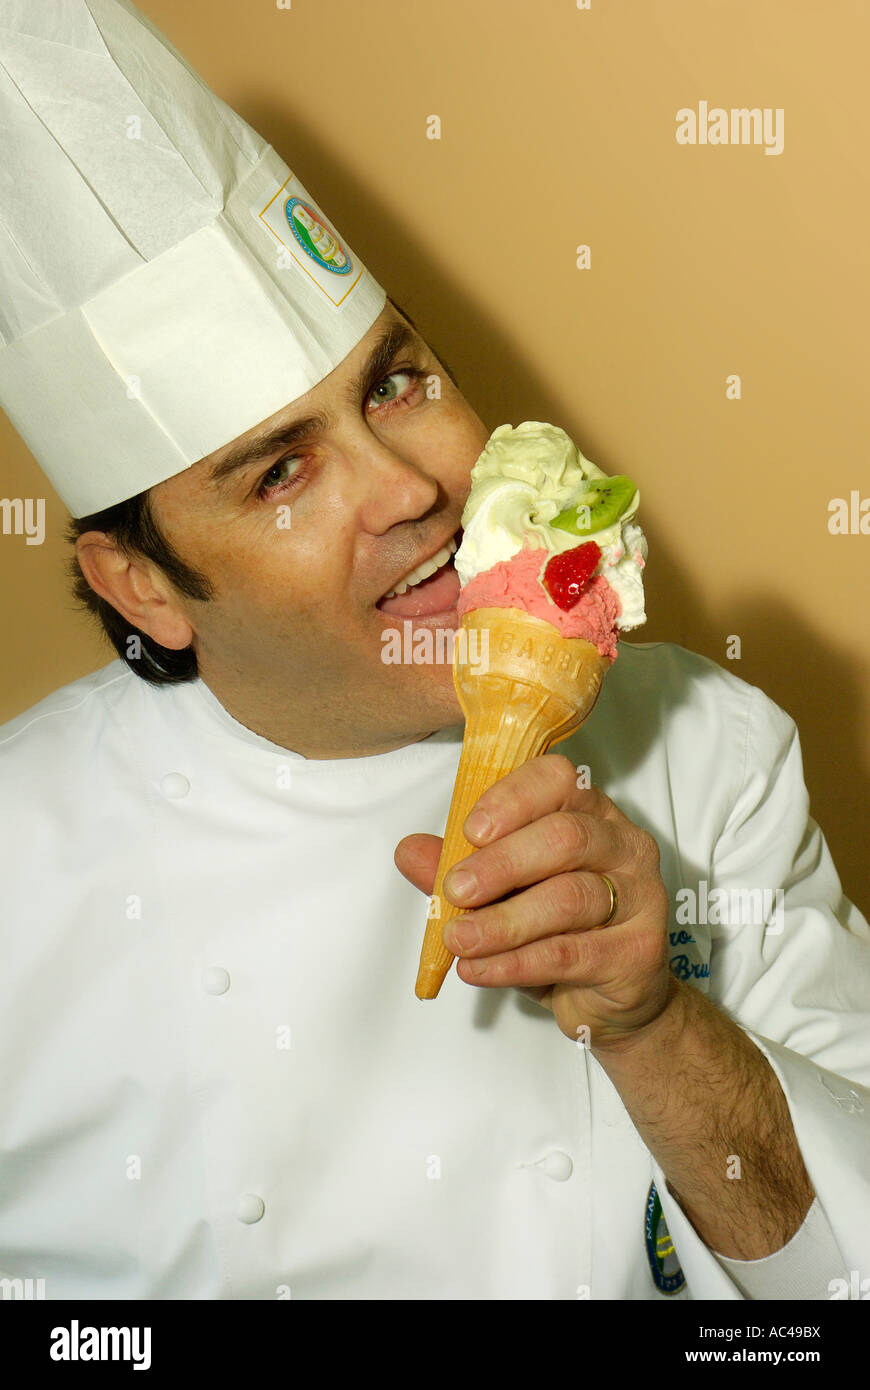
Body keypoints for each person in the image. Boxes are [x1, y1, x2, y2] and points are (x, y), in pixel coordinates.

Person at [0, 0, 868, 1302]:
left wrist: (653, 1021)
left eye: (395, 382)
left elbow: (832, 1288)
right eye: (280, 471)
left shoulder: (707, 745)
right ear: (143, 586)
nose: (410, 486)